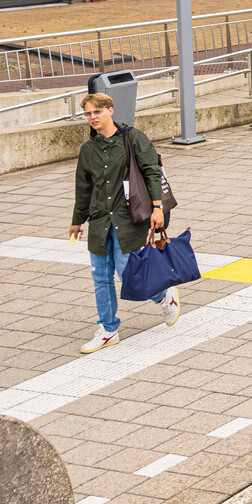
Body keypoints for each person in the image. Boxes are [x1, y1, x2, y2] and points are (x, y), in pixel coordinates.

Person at [68, 92, 179, 352]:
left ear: (110, 110)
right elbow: (83, 188)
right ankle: (108, 329)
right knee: (100, 276)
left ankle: (164, 296)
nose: (92, 117)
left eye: (97, 112)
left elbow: (152, 173)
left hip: (128, 218)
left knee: (128, 272)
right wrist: (77, 221)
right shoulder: (88, 149)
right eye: (88, 113)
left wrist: (157, 208)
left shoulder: (133, 138)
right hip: (99, 220)